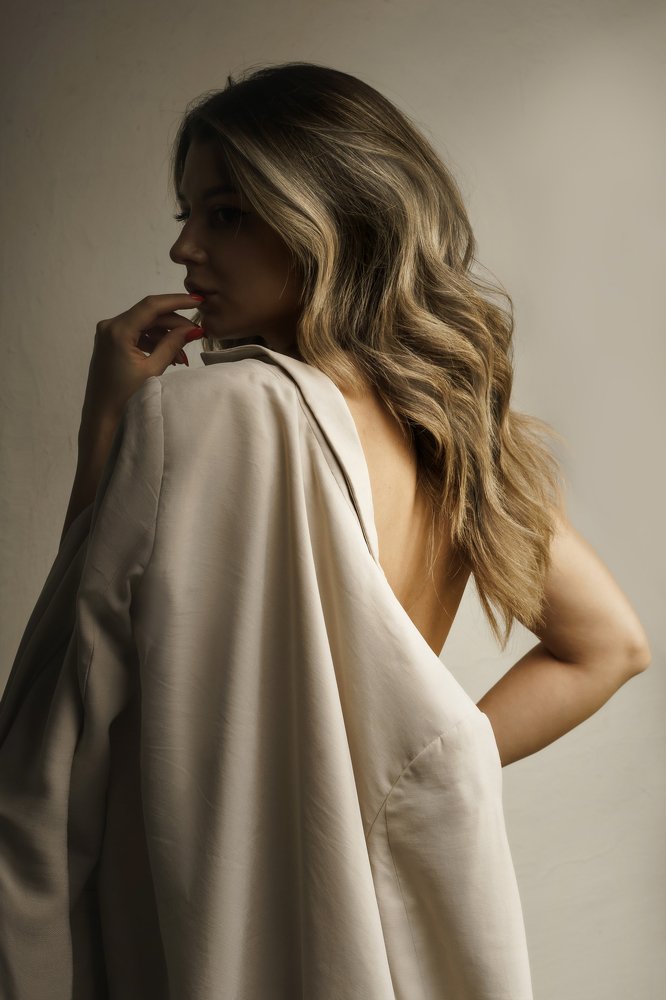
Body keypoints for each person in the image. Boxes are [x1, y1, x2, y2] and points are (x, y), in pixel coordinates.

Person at [0, 61, 651, 1000]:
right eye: (186, 213)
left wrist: (104, 430)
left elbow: (55, 722)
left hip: (215, 918)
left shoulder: (210, 418)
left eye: (226, 214)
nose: (184, 246)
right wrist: (402, 778)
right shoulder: (458, 431)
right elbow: (612, 645)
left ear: (330, 223)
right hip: (379, 932)